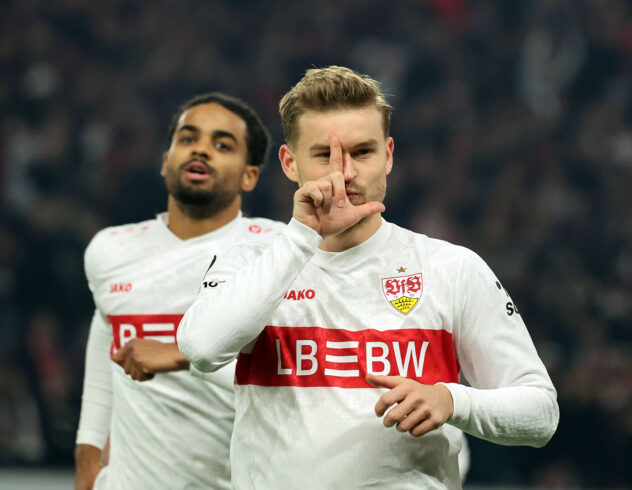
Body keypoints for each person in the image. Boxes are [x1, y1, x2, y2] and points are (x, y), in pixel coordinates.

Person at [178, 66, 559, 489]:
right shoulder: (248, 262)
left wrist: (453, 400)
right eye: (324, 155)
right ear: (289, 163)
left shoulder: (450, 268)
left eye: (362, 152)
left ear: (388, 155)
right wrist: (302, 237)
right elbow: (201, 348)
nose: (345, 173)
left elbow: (540, 413)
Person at [74, 92, 284, 490]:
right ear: (166, 160)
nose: (201, 149)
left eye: (223, 145)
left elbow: (297, 375)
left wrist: (181, 355)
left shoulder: (276, 251)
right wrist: (87, 459)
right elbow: (105, 352)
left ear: (250, 175)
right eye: (188, 139)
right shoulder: (110, 250)